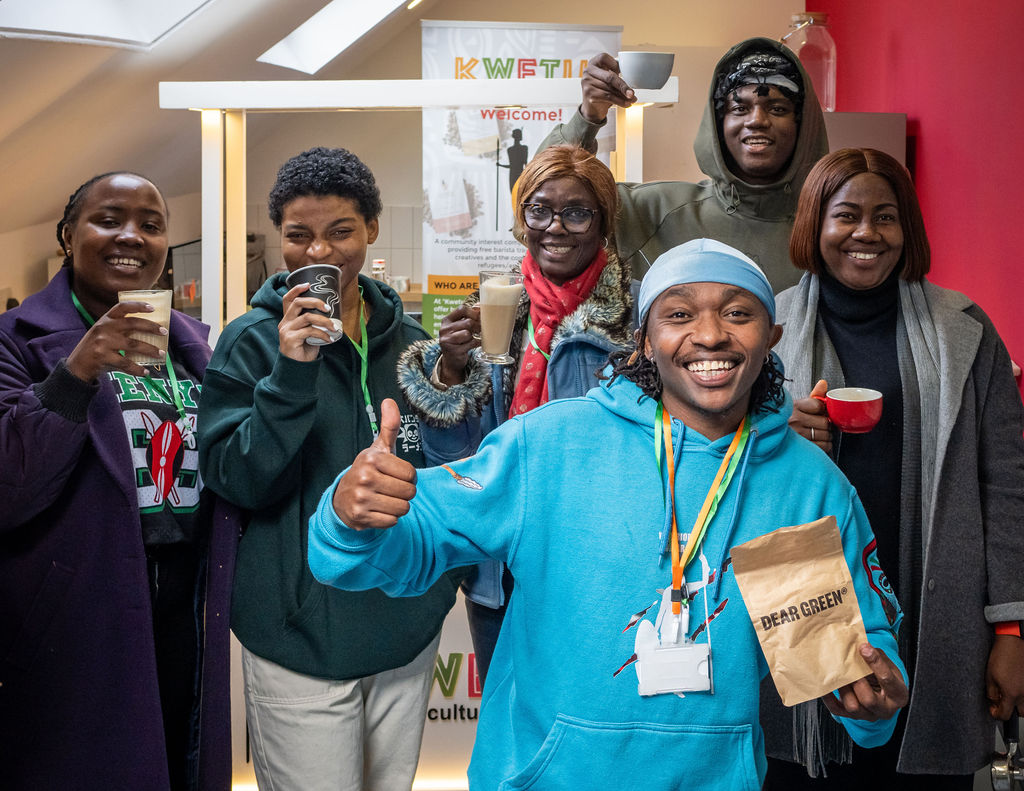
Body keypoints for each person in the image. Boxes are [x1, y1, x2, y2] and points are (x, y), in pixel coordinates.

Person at [308, 238, 910, 790]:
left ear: (771, 336)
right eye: (678, 314)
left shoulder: (804, 483)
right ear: (645, 341)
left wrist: (873, 699)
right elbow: (403, 548)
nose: (709, 335)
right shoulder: (549, 445)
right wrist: (348, 516)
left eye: (737, 313)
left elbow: (843, 659)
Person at [197, 147, 461, 791]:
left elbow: (437, 467)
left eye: (339, 231)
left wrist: (458, 378)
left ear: (371, 229)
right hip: (297, 636)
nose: (318, 252)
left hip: (401, 626)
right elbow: (236, 478)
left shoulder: (409, 342)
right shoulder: (251, 340)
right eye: (298, 235)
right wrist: (292, 370)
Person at [763, 148, 1024, 789]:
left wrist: (1012, 626)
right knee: (805, 771)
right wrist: (774, 431)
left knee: (917, 767)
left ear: (907, 228)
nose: (866, 233)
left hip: (934, 599)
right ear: (813, 225)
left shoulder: (965, 330)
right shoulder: (762, 326)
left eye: (886, 217)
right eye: (845, 215)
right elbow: (712, 460)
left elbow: (1009, 482)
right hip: (803, 598)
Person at [0, 172, 238, 789]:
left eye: (151, 225)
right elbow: (9, 485)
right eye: (109, 219)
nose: (130, 236)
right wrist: (76, 370)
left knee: (180, 762)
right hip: (76, 609)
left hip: (187, 601)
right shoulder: (15, 342)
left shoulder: (201, 349)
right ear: (67, 234)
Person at [397, 143, 633, 685]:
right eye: (539, 209)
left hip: (598, 561)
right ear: (521, 218)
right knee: (506, 729)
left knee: (591, 718)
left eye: (576, 211)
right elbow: (456, 465)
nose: (555, 226)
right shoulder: (495, 313)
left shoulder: (639, 317)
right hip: (500, 569)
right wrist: (453, 373)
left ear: (604, 222)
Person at [539, 38, 828, 291]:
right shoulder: (650, 212)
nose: (756, 121)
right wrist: (588, 116)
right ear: (718, 124)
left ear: (802, 124)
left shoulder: (833, 226)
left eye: (778, 109)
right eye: (739, 108)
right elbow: (538, 207)